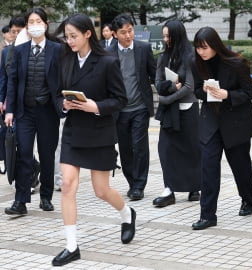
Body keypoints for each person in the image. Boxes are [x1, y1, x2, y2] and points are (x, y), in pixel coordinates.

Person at [51, 13, 134, 266]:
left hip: (99, 133)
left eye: (73, 36)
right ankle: (72, 245)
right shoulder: (65, 59)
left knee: (102, 191)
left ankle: (127, 213)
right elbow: (56, 95)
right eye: (66, 37)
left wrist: (95, 106)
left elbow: (121, 100)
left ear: (88, 34)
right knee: (67, 185)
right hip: (74, 131)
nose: (70, 41)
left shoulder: (108, 62)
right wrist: (64, 105)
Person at [191, 26, 252, 230]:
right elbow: (195, 91)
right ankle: (208, 215)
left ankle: (248, 199)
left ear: (215, 45)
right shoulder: (196, 64)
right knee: (208, 168)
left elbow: (250, 93)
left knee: (240, 166)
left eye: (205, 47)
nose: (201, 52)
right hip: (211, 123)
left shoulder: (236, 64)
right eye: (198, 48)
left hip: (235, 123)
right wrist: (204, 91)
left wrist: (227, 95)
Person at [4, 7, 61, 215]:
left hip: (48, 112)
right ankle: (21, 201)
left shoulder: (57, 49)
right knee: (24, 154)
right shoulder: (20, 50)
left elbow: (63, 79)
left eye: (38, 21)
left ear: (45, 25)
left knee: (47, 156)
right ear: (26, 28)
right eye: (31, 22)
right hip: (24, 112)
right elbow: (13, 81)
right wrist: (9, 110)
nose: (34, 25)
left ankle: (46, 197)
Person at [152, 20, 201, 207]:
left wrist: (166, 99)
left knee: (191, 150)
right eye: (164, 36)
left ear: (177, 35)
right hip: (169, 112)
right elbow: (157, 83)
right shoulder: (163, 57)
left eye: (168, 36)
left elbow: (189, 86)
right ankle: (169, 188)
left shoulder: (190, 56)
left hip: (187, 110)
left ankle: (194, 187)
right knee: (165, 149)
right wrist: (172, 87)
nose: (166, 39)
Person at [108, 14, 156, 201]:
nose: (128, 35)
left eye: (130, 31)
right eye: (123, 32)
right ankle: (131, 182)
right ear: (114, 34)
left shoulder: (143, 49)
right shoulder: (108, 52)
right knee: (125, 148)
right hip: (119, 110)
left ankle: (139, 185)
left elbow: (154, 74)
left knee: (140, 146)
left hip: (140, 107)